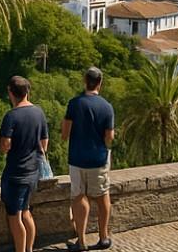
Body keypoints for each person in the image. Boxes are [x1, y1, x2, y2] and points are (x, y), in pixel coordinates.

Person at [63, 67, 116, 251]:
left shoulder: (74, 104)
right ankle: (103, 237)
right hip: (98, 159)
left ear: (85, 81)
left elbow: (64, 133)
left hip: (77, 158)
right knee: (102, 197)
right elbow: (109, 137)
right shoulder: (107, 107)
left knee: (79, 196)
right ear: (100, 83)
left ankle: (82, 240)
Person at [0, 75, 49, 252]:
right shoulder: (39, 112)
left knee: (15, 216)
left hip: (16, 172)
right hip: (33, 171)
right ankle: (29, 248)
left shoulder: (11, 116)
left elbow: (4, 146)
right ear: (27, 92)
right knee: (26, 212)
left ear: (10, 92)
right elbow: (44, 144)